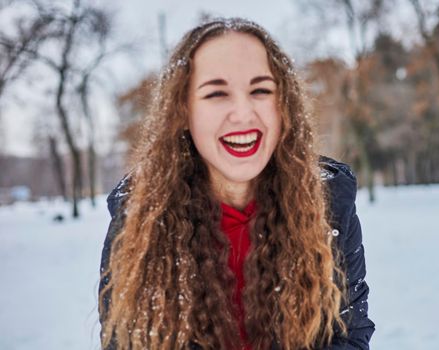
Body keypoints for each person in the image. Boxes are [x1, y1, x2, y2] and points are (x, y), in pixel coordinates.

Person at [98, 17, 375, 350]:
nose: (243, 113)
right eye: (216, 93)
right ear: (184, 110)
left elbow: (348, 334)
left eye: (260, 90)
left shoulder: (329, 201)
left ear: (282, 106)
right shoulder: (139, 215)